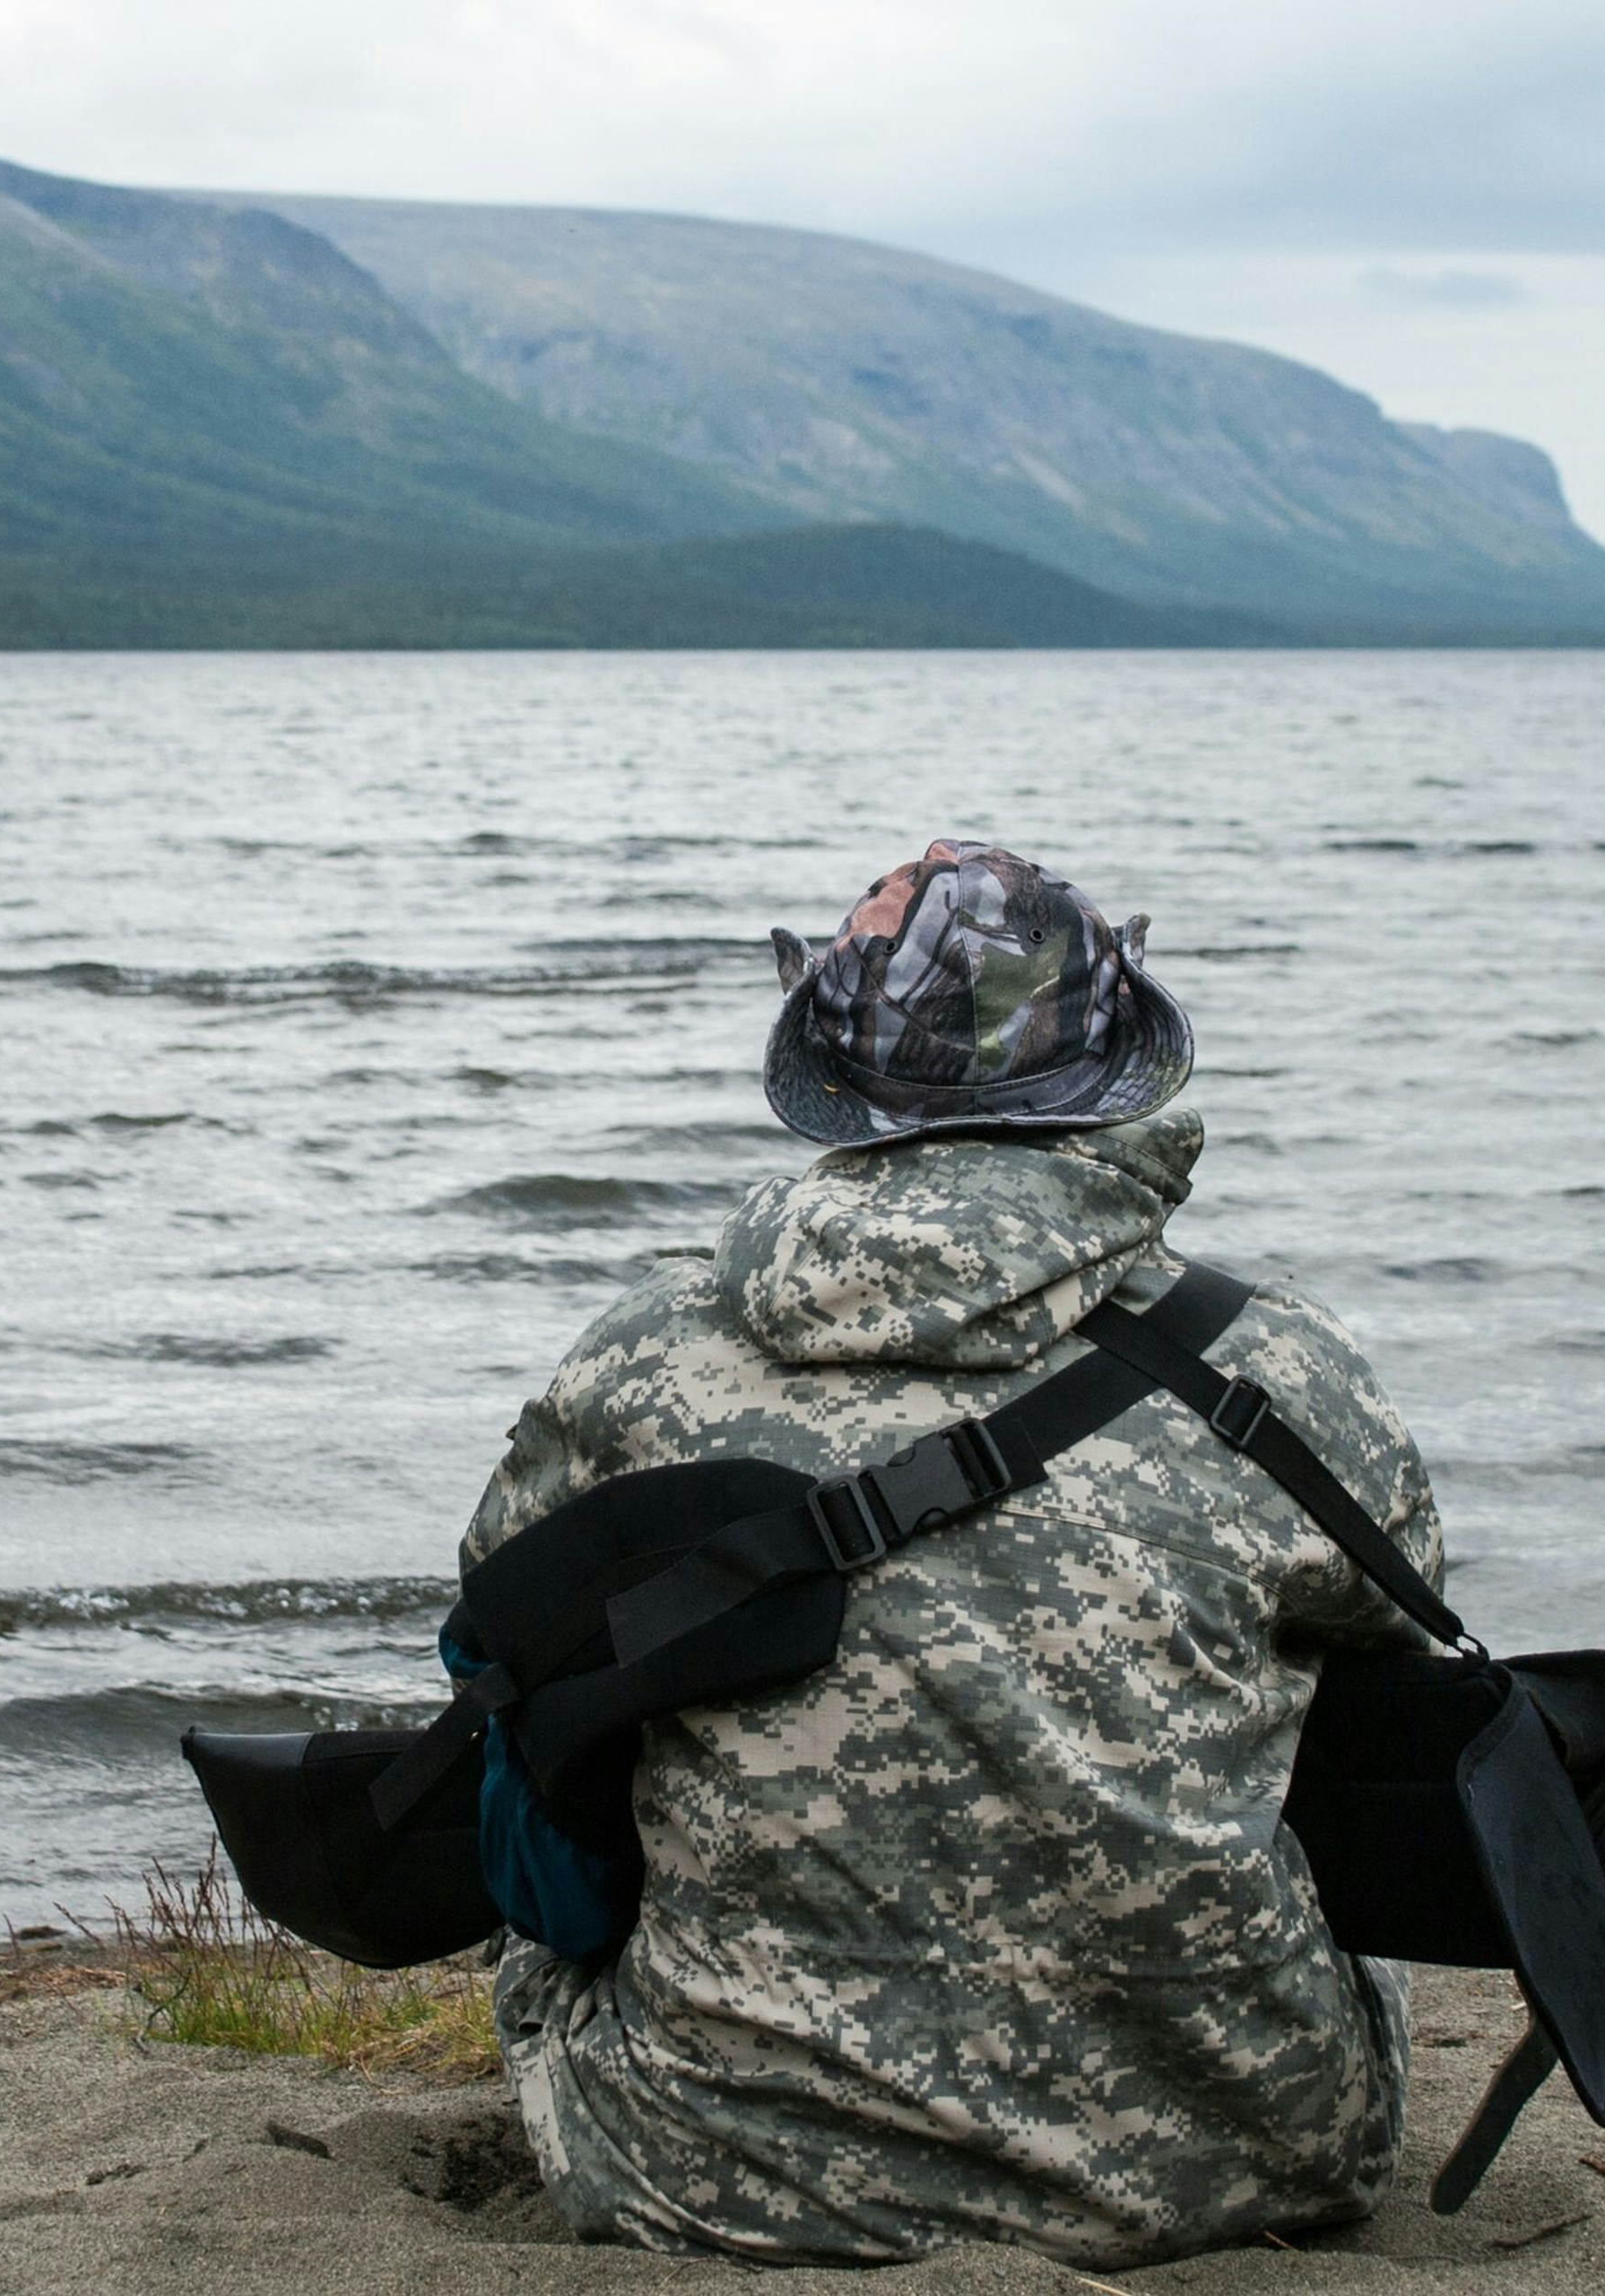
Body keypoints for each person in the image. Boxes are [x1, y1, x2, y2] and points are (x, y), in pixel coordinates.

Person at [459, 839, 1443, 2269]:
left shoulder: (645, 1357)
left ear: (834, 1081)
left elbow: (490, 1624)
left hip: (709, 2165)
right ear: (1116, 1074)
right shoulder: (1281, 1366)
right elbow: (1403, 1663)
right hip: (1242, 2159)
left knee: (564, 1719)